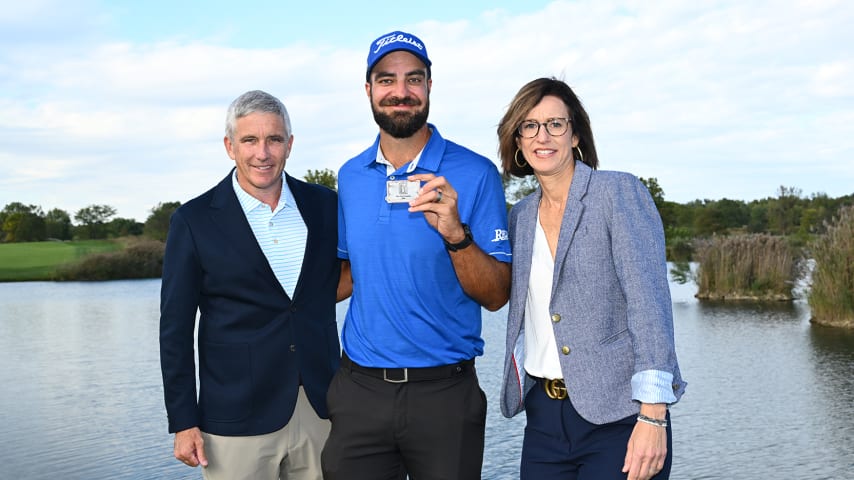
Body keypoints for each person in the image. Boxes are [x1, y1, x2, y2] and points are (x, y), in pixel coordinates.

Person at [320, 31, 512, 480]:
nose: (400, 92)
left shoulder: (476, 173)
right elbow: (348, 273)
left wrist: (456, 235)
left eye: (414, 79)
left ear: (429, 87)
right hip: (359, 392)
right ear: (369, 90)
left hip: (444, 394)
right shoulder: (350, 176)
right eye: (387, 80)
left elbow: (497, 294)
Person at [497, 77, 687, 480]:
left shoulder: (617, 193)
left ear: (576, 133)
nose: (541, 136)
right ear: (517, 141)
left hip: (619, 417)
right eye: (529, 126)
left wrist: (652, 418)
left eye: (555, 124)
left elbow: (649, 308)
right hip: (544, 421)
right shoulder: (520, 216)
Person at [159, 90, 341, 480]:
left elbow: (350, 278)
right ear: (230, 146)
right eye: (249, 140)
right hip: (234, 419)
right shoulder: (193, 221)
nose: (263, 153)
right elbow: (174, 330)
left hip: (320, 408)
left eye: (274, 139)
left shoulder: (326, 206)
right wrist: (182, 421)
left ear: (289, 145)